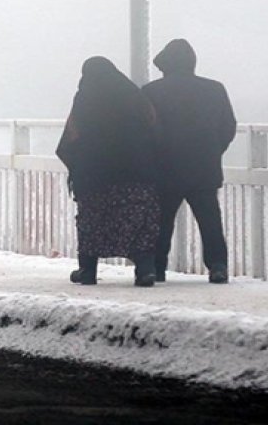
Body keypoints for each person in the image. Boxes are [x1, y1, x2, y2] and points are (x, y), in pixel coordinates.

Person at [55, 56, 161, 287]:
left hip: (95, 176)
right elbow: (153, 128)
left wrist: (78, 165)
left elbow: (71, 137)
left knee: (92, 222)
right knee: (139, 221)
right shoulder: (135, 96)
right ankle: (144, 270)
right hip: (136, 173)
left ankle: (87, 271)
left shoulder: (85, 98)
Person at [141, 39, 237, 284]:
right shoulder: (215, 89)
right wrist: (214, 150)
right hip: (203, 167)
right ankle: (218, 266)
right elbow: (228, 126)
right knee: (210, 220)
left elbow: (144, 129)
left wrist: (153, 157)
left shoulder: (151, 92)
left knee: (161, 221)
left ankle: (156, 267)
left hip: (165, 168)